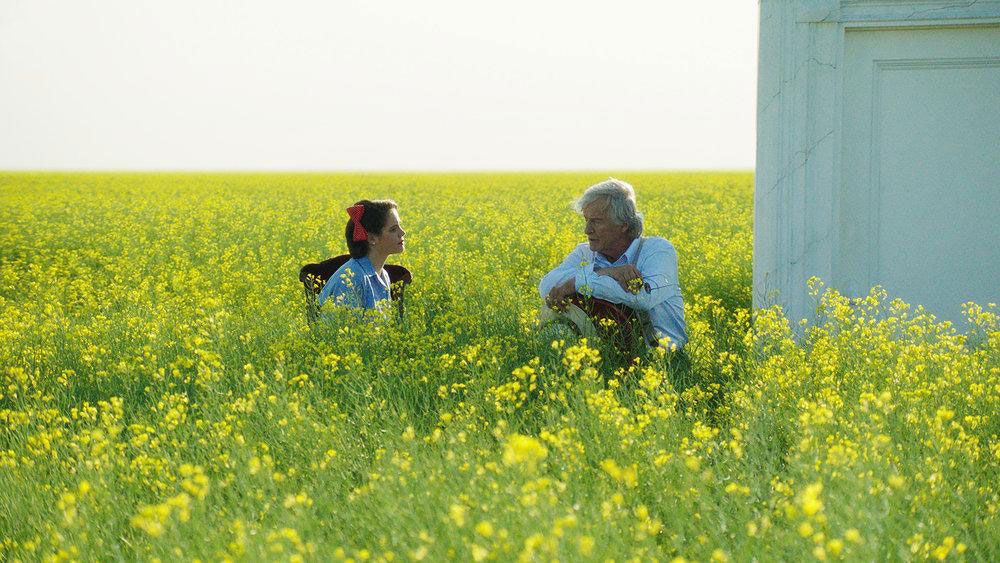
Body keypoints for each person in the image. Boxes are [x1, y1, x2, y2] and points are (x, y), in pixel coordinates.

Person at [538, 178, 687, 350]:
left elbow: (643, 298)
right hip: (604, 363)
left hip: (663, 364)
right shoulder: (584, 252)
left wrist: (576, 282)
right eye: (586, 220)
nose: (587, 230)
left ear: (623, 224)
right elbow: (547, 286)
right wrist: (607, 272)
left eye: (596, 221)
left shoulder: (657, 250)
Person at [318, 199, 406, 312]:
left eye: (399, 226)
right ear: (372, 238)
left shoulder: (383, 275)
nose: (402, 232)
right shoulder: (352, 280)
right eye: (393, 229)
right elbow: (340, 328)